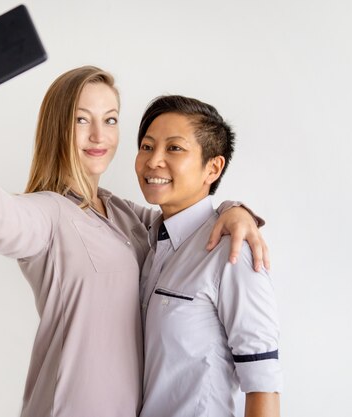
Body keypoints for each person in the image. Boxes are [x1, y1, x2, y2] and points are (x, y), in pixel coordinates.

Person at [0, 48, 269, 417]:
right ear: (59, 127)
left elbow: (184, 219)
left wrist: (234, 210)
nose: (99, 135)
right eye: (82, 119)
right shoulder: (47, 213)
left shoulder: (126, 216)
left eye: (111, 119)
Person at [136, 95, 282, 417]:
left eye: (174, 148)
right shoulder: (146, 238)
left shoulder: (234, 251)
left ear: (213, 167)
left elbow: (263, 385)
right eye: (147, 146)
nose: (153, 160)